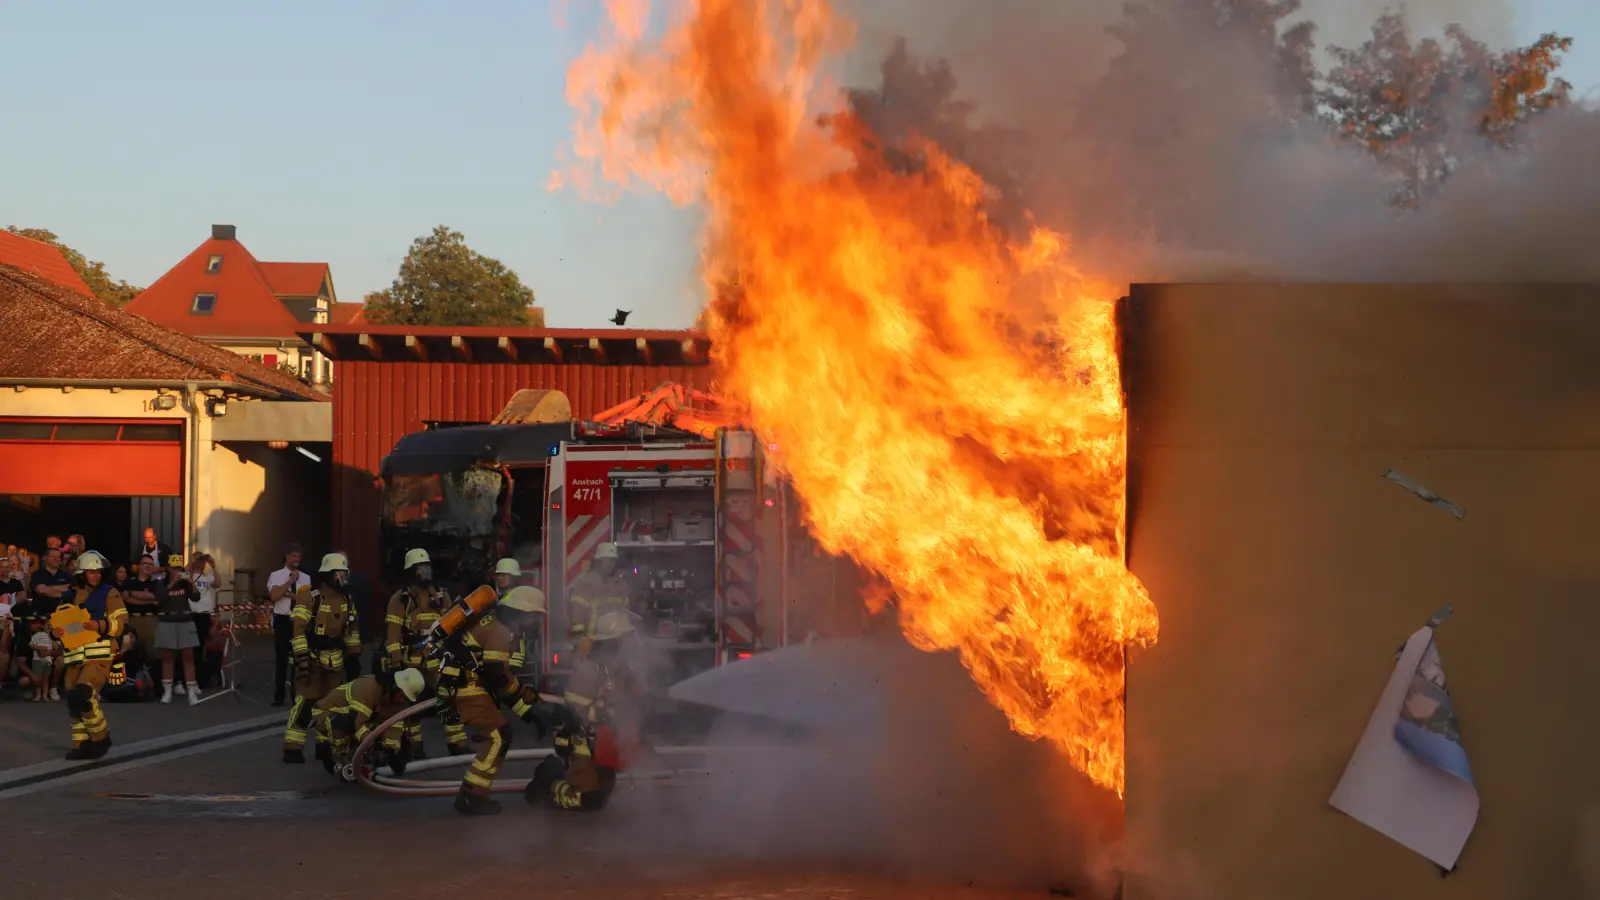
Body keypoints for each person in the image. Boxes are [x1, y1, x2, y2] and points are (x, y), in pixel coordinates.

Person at [434, 577, 555, 815]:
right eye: (534, 617)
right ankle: (471, 797)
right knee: (498, 737)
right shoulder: (498, 631)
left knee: (499, 735)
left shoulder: (494, 623)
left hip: (468, 684)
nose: (534, 623)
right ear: (523, 612)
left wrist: (531, 709)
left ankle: (471, 794)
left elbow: (502, 678)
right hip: (469, 688)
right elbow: (497, 679)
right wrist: (530, 703)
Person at [529, 609, 645, 812]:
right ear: (612, 641)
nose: (628, 643)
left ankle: (575, 779)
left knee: (603, 795)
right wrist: (603, 715)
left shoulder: (617, 669)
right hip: (582, 742)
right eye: (623, 638)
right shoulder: (588, 670)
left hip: (604, 740)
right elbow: (575, 710)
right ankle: (548, 782)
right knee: (588, 800)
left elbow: (624, 700)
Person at [282, 553, 363, 764]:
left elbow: (352, 631)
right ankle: (293, 747)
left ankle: (324, 745)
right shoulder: (310, 597)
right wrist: (301, 658)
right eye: (338, 575)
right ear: (327, 575)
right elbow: (298, 629)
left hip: (334, 662)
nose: (342, 579)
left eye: (344, 575)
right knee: (305, 703)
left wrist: (354, 658)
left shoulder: (347, 599)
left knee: (331, 705)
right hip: (311, 659)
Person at [383, 548, 465, 758]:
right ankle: (415, 746)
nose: (425, 573)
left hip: (436, 655)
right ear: (410, 572)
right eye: (420, 569)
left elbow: (452, 622)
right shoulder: (401, 599)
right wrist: (395, 663)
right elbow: (393, 633)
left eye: (427, 568)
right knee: (412, 704)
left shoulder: (440, 593)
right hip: (411, 659)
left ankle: (457, 743)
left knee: (448, 696)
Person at [53, 551, 127, 759]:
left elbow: (120, 623)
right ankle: (81, 744)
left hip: (99, 652)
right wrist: (55, 632)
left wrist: (99, 625)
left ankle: (100, 738)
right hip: (75, 655)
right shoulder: (70, 595)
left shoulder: (110, 593)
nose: (95, 576)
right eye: (90, 573)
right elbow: (58, 622)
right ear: (81, 574)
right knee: (72, 700)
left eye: (97, 572)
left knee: (84, 694)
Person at [311, 667, 426, 783]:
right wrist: (369, 743)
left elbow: (394, 726)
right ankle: (336, 758)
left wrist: (390, 750)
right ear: (395, 686)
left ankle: (360, 761)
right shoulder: (368, 688)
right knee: (342, 723)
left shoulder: (396, 699)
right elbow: (355, 722)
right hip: (328, 714)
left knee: (398, 744)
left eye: (406, 698)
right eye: (402, 696)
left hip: (360, 720)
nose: (402, 702)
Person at [154, 554, 202, 705]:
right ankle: (167, 691)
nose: (176, 571)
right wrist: (172, 582)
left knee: (188, 656)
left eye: (179, 568)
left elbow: (196, 598)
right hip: (167, 622)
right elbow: (159, 599)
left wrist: (191, 583)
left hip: (185, 621)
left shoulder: (185, 583)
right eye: (174, 568)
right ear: (168, 568)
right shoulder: (161, 582)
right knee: (168, 657)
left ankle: (192, 692)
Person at [266, 545, 310, 707]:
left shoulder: (306, 578)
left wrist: (287, 594)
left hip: (298, 620)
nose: (296, 560)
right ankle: (279, 696)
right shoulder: (276, 576)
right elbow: (274, 596)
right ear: (286, 557)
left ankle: (296, 696)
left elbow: (305, 599)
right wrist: (289, 583)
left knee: (298, 659)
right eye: (293, 556)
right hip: (282, 619)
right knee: (281, 659)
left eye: (299, 557)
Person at [565, 543, 631, 649]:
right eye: (607, 560)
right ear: (598, 561)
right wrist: (580, 640)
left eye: (613, 560)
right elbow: (577, 615)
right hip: (592, 643)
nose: (611, 564)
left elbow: (625, 613)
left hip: (616, 643)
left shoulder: (621, 585)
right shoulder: (586, 583)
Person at [187, 554, 219, 689]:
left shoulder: (207, 577)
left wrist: (213, 566)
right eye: (198, 560)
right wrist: (191, 562)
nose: (200, 563)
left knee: (200, 648)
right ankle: (189, 680)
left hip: (204, 614)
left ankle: (200, 680)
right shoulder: (188, 576)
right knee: (189, 649)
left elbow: (218, 583)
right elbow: (180, 576)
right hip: (190, 613)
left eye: (202, 560)